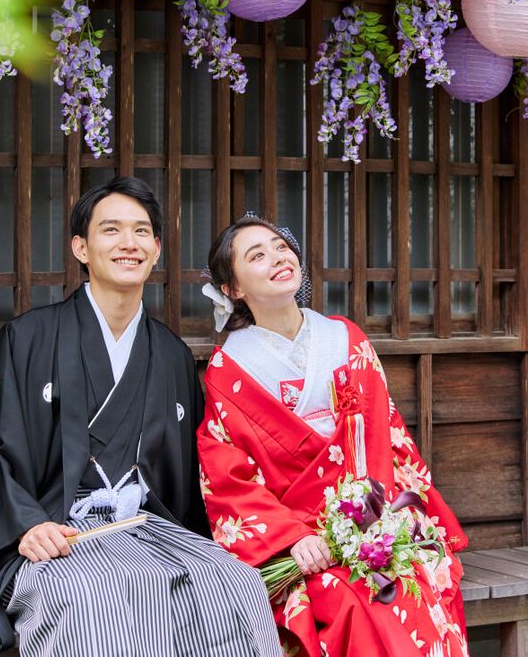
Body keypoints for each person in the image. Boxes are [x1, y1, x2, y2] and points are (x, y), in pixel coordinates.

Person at [0, 178, 280, 657]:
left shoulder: (170, 354)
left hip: (142, 529)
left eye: (141, 232)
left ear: (156, 249)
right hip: (54, 537)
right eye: (111, 230)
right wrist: (27, 525)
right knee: (93, 597)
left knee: (235, 584)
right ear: (81, 248)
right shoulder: (27, 339)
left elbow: (191, 477)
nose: (129, 243)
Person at [196, 215, 469, 657]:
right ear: (233, 288)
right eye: (257, 255)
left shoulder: (345, 338)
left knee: (408, 585)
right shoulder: (228, 371)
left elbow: (387, 435)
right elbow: (227, 477)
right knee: (348, 601)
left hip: (374, 517)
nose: (278, 258)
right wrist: (292, 539)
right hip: (300, 545)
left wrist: (380, 519)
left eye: (280, 247)